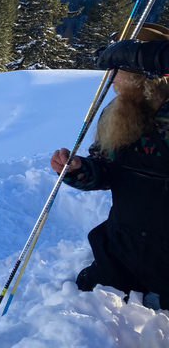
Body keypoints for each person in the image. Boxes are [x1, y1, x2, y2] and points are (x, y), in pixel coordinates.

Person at [51, 22, 169, 310]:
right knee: (80, 307)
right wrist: (78, 169)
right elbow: (105, 170)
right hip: (122, 248)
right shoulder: (119, 112)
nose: (111, 78)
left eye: (119, 70)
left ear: (145, 77)